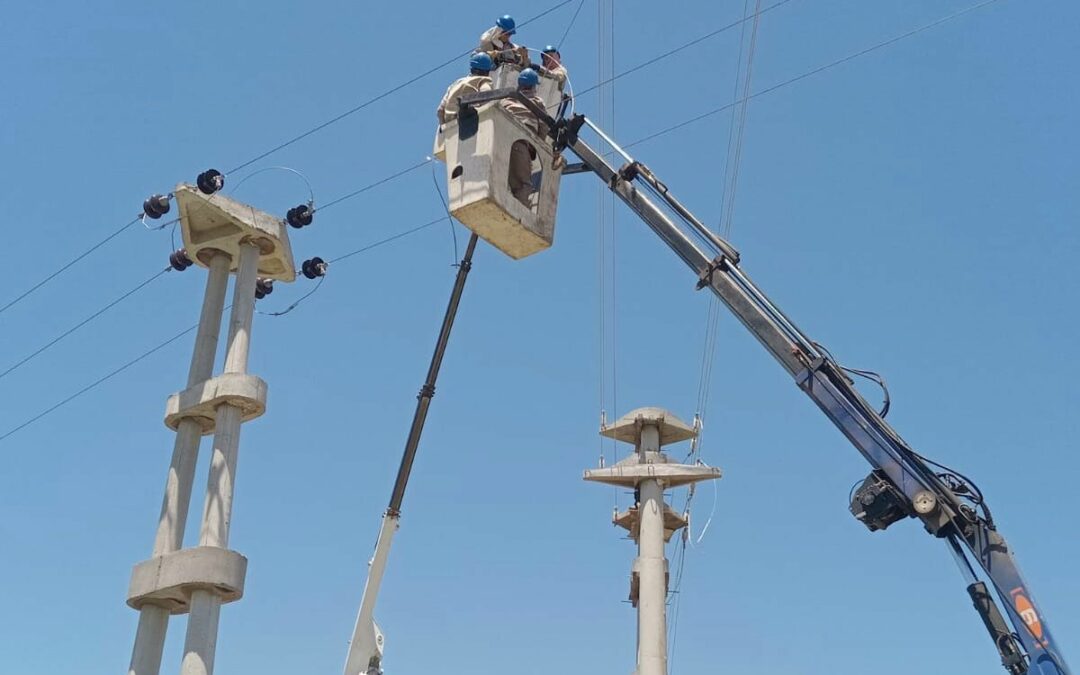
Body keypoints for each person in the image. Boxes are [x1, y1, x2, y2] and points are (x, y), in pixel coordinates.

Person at [500, 68, 548, 207]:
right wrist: (537, 147)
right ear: (533, 86)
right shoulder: (537, 101)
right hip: (520, 144)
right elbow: (544, 126)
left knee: (498, 185)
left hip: (501, 142)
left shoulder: (506, 100)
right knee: (523, 186)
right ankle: (517, 220)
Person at [436, 53, 494, 124]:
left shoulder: (456, 83)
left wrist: (444, 127)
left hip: (450, 121)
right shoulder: (484, 80)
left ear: (471, 68)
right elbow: (486, 96)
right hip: (468, 119)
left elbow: (440, 110)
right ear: (487, 71)